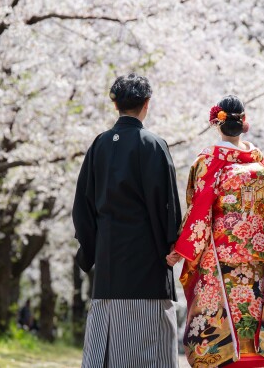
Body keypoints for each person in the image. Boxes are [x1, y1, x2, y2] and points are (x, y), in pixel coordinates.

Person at [166, 96, 264, 367]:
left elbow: (199, 210)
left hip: (221, 261)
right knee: (253, 317)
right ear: (244, 123)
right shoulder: (259, 161)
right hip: (259, 259)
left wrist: (182, 248)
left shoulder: (209, 161)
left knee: (225, 323)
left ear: (216, 124)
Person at [73, 73, 182, 368]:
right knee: (149, 352)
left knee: (105, 353)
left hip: (108, 268)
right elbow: (166, 204)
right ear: (147, 103)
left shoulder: (99, 145)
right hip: (146, 267)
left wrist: (90, 252)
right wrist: (171, 245)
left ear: (115, 105)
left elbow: (83, 207)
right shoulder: (153, 145)